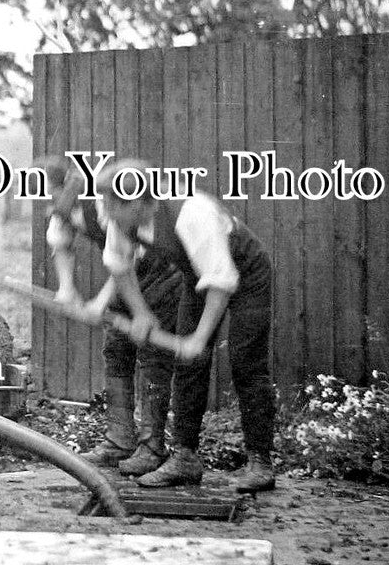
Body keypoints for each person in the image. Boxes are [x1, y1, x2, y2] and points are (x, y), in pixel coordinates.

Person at [90, 159, 277, 492]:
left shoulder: (193, 213)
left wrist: (199, 337)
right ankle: (186, 459)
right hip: (197, 276)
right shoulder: (123, 221)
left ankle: (260, 463)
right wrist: (142, 314)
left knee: (246, 363)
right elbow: (119, 267)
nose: (105, 213)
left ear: (138, 202)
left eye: (110, 205)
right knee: (188, 364)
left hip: (246, 273)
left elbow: (221, 281)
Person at [42, 155, 182, 476]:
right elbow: (61, 244)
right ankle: (119, 439)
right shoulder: (66, 208)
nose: (51, 202)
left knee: (151, 354)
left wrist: (100, 303)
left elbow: (124, 261)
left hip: (160, 275)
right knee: (116, 348)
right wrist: (66, 289)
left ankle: (152, 446)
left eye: (52, 193)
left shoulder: (118, 206)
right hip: (125, 273)